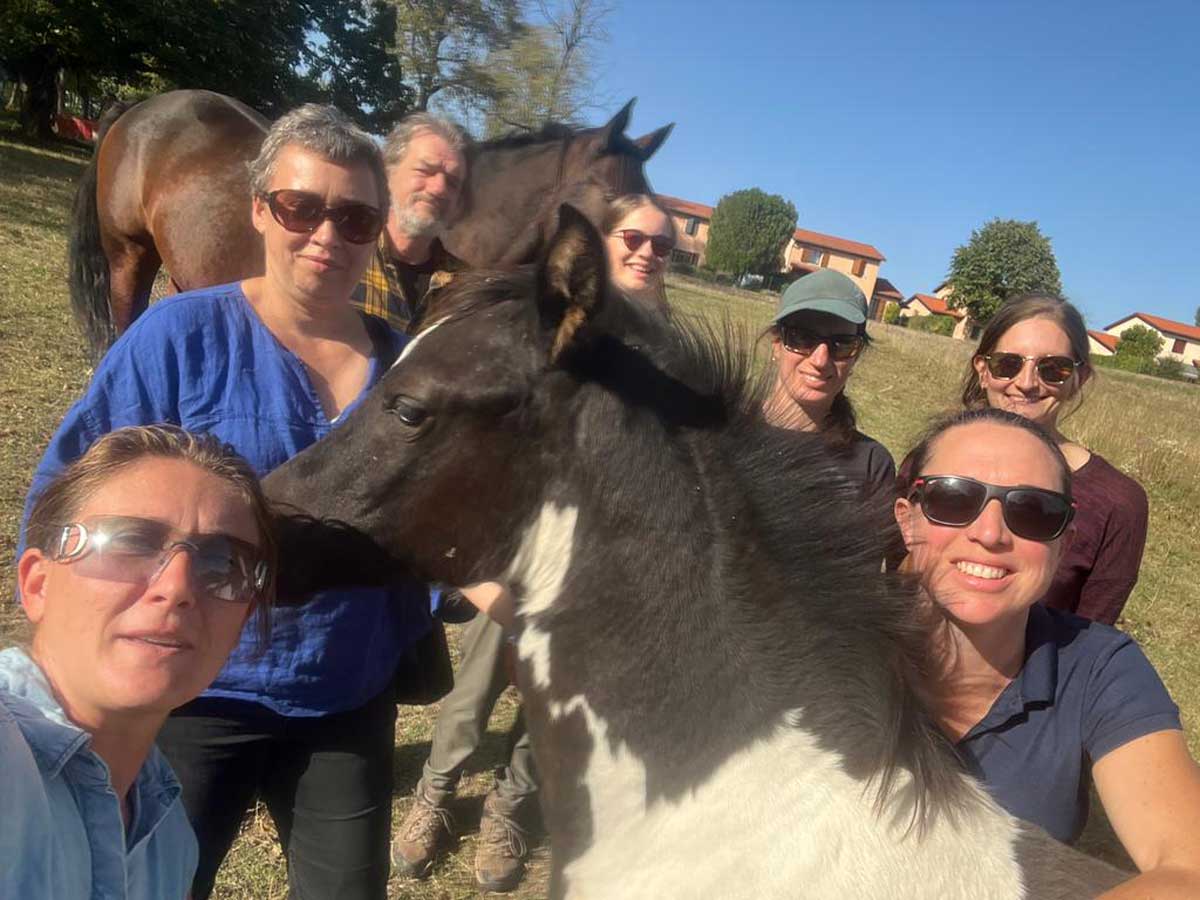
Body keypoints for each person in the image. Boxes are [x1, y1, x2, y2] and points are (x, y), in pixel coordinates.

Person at [19, 104, 439, 899]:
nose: (326, 235)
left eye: (354, 218)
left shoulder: (404, 370)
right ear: (259, 210)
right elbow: (67, 491)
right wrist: (68, 651)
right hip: (193, 690)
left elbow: (440, 520)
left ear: (376, 232)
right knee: (155, 886)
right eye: (300, 207)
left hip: (347, 690)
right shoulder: (176, 338)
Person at [894, 408, 1200, 896]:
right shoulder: (826, 639)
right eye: (953, 498)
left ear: (1063, 545)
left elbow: (1189, 866)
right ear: (908, 522)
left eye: (1033, 512)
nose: (990, 534)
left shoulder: (1096, 666)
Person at [2, 425, 275, 899]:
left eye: (223, 563)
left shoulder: (169, 838)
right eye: (129, 542)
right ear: (37, 586)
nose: (177, 587)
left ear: (242, 620)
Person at [959, 294, 1148, 624]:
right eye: (1008, 364)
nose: (1026, 383)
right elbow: (903, 588)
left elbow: (1089, 634)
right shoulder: (931, 463)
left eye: (1053, 369)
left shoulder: (1118, 505)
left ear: (1079, 378)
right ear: (983, 370)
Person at [764, 268, 896, 507]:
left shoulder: (872, 465)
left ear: (856, 357)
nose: (820, 360)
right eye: (803, 338)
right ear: (776, 344)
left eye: (842, 345)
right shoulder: (722, 430)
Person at [351, 112, 468, 333]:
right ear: (386, 174)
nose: (439, 189)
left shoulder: (466, 288)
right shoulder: (344, 254)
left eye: (452, 182)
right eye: (425, 171)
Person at [602, 193, 677, 314]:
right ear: (603, 240)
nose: (647, 253)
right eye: (634, 238)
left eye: (661, 244)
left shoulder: (659, 324)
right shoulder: (573, 316)